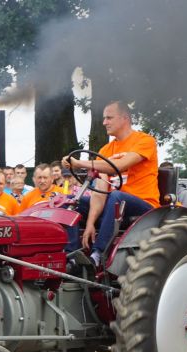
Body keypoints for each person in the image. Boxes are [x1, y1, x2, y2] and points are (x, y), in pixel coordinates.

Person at [62, 100, 160, 266]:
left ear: (124, 118)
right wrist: (91, 223)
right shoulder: (105, 150)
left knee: (116, 196)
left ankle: (98, 254)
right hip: (115, 203)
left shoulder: (145, 141)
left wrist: (79, 163)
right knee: (69, 202)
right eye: (104, 118)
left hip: (144, 205)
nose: (104, 122)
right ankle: (73, 255)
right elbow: (101, 191)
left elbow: (118, 166)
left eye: (109, 118)